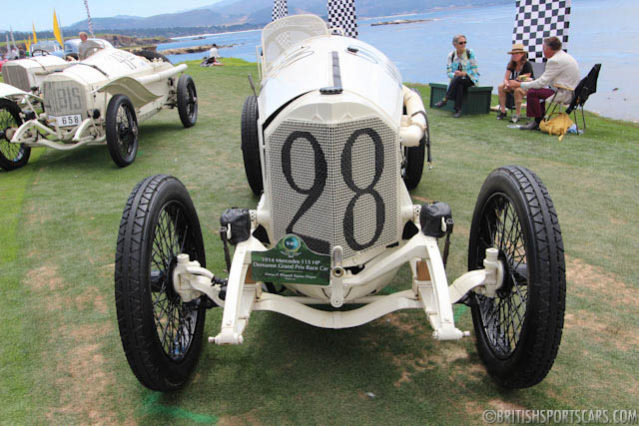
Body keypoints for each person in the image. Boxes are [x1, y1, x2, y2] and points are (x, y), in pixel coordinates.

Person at [508, 36, 580, 130]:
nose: (543, 51)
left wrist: (519, 84)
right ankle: (539, 120)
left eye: (543, 48)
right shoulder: (564, 56)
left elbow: (541, 83)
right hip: (571, 92)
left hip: (564, 93)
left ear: (549, 49)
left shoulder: (555, 60)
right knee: (537, 90)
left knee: (533, 92)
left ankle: (537, 122)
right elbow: (545, 80)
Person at [433, 34, 479, 118]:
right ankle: (458, 110)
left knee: (459, 78)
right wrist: (456, 74)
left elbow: (475, 70)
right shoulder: (451, 55)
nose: (463, 45)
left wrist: (464, 73)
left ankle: (445, 99)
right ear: (455, 45)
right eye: (461, 43)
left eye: (465, 42)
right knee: (459, 84)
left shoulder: (470, 53)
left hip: (470, 79)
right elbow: (449, 72)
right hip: (457, 80)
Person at [497, 43, 534, 123]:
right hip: (513, 84)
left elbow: (527, 77)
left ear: (522, 54)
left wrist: (515, 81)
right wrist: (507, 83)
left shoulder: (527, 65)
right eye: (513, 54)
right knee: (501, 87)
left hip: (525, 86)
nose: (514, 56)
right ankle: (503, 111)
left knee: (518, 91)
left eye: (517, 54)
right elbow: (506, 77)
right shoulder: (511, 64)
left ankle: (517, 114)